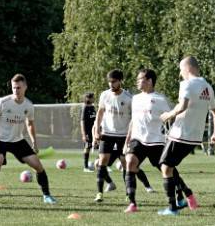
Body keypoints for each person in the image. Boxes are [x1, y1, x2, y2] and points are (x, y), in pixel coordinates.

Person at [0, 74, 57, 205]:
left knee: (38, 166)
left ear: (25, 87)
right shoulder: (3, 103)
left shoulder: (28, 105)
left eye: (18, 88)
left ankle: (47, 196)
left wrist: (34, 142)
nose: (16, 90)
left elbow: (30, 124)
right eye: (14, 88)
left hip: (17, 140)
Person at [159, 56, 215, 216]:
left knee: (165, 167)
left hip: (181, 134)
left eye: (181, 69)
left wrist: (168, 115)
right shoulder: (208, 86)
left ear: (187, 68)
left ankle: (173, 207)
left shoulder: (187, 84)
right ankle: (184, 196)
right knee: (169, 166)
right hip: (195, 138)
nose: (180, 73)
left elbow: (183, 105)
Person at [123, 69, 191, 213]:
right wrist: (127, 140)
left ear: (149, 81)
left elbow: (175, 115)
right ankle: (132, 203)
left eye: (140, 78)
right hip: (138, 140)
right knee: (129, 163)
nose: (137, 81)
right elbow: (133, 121)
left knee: (168, 170)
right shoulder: (135, 98)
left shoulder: (161, 99)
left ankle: (182, 192)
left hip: (156, 142)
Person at [93, 69, 131, 203]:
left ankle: (128, 194)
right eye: (109, 82)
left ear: (120, 81)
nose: (111, 84)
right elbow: (100, 113)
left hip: (123, 134)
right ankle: (99, 193)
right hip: (107, 133)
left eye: (114, 82)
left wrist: (131, 135)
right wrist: (97, 130)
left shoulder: (128, 98)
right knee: (101, 162)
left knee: (125, 163)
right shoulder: (104, 95)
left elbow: (133, 118)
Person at [80, 92, 96, 172]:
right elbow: (82, 121)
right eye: (92, 97)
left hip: (94, 132)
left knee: (101, 148)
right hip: (87, 132)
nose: (94, 98)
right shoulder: (85, 107)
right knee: (87, 148)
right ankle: (85, 167)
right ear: (88, 98)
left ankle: (101, 165)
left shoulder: (93, 107)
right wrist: (84, 134)